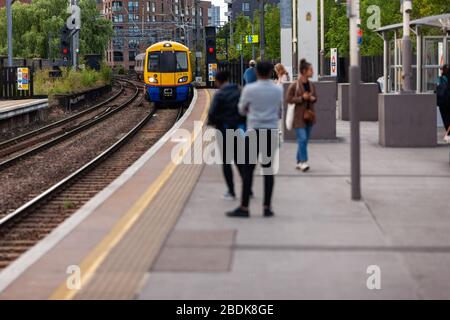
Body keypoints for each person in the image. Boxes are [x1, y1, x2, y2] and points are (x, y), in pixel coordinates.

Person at [226, 61, 282, 218]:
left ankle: (244, 207)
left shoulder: (249, 89)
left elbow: (241, 110)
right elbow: (279, 111)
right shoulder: (278, 90)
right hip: (270, 132)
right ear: (271, 72)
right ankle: (267, 207)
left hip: (253, 132)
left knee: (248, 170)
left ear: (257, 72)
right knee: (268, 170)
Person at [208, 70, 247, 201]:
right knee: (240, 160)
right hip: (239, 130)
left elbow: (212, 114)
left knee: (226, 162)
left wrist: (216, 122)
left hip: (224, 132)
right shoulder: (238, 90)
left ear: (218, 81)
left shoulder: (219, 95)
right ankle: (248, 189)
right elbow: (245, 109)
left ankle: (231, 191)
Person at [286, 59, 317, 172]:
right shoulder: (295, 85)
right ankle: (303, 162)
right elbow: (288, 99)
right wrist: (302, 98)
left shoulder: (311, 85)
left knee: (304, 140)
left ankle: (299, 161)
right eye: (311, 70)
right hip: (298, 117)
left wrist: (312, 98)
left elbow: (315, 97)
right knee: (302, 138)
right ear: (304, 71)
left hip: (309, 116)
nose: (312, 71)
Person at [437, 64, 450, 142]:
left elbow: (438, 89)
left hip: (443, 102)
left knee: (446, 119)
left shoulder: (441, 78)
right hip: (446, 101)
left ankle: (448, 134)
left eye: (442, 69)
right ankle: (448, 134)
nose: (441, 70)